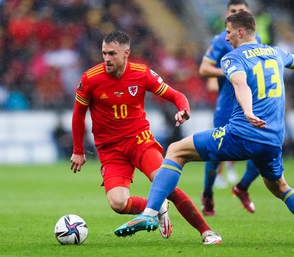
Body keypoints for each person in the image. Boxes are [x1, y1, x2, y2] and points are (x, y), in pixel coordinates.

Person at [115, 12, 294, 246]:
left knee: (176, 150)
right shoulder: (274, 52)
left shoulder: (233, 57)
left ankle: (149, 213)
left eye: (229, 31)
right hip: (272, 139)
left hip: (241, 134)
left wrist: (249, 111)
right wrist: (287, 60)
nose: (227, 37)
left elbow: (240, 84)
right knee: (280, 186)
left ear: (240, 32)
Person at [70, 30, 222, 245]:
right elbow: (78, 114)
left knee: (165, 183)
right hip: (110, 148)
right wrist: (78, 150)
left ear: (126, 53)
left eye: (112, 53)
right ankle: (158, 207)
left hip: (139, 140)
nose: (106, 59)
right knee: (118, 203)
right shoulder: (90, 78)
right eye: (104, 53)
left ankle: (207, 232)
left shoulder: (141, 73)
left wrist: (183, 108)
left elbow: (175, 95)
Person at [198, 0, 260, 216]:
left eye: (240, 11)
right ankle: (208, 193)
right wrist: (229, 71)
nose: (236, 14)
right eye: (232, 11)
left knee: (264, 150)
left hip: (253, 104)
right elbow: (204, 68)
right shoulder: (221, 40)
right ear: (226, 15)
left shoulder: (257, 41)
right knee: (215, 154)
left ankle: (242, 187)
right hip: (227, 107)